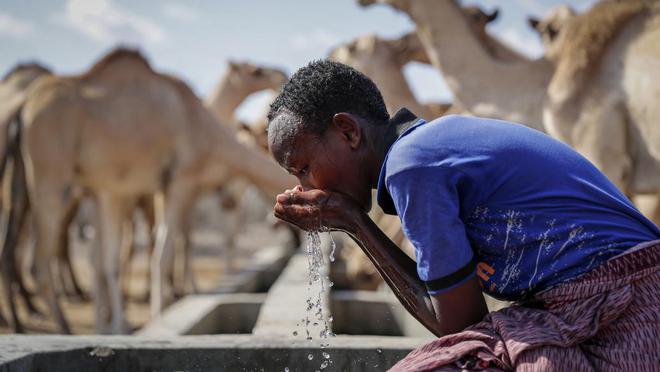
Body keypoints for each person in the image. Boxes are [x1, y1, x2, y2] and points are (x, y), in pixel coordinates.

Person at [267, 60, 660, 371]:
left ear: (348, 132)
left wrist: (354, 223)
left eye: (302, 168)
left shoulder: (411, 166)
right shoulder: (427, 147)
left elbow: (461, 330)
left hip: (628, 308)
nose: (303, 186)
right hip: (602, 303)